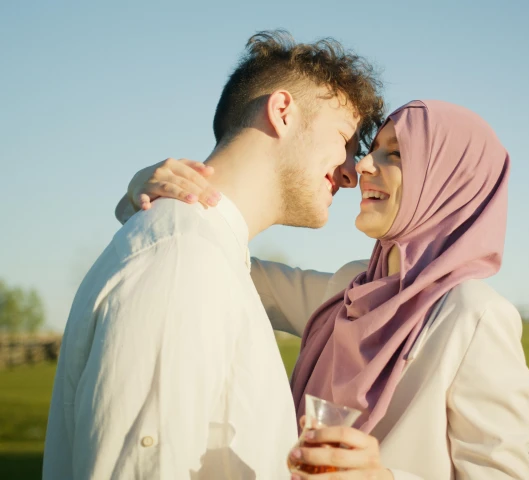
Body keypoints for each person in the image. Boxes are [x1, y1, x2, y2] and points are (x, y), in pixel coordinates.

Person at [124, 100, 529, 479]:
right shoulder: (350, 286)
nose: (362, 168)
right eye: (371, 150)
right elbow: (220, 259)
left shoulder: (475, 316)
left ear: (449, 183)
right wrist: (147, 196)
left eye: (395, 154)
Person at [42, 30, 384, 479]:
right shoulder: (183, 261)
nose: (349, 174)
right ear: (282, 111)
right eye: (344, 137)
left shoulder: (209, 257)